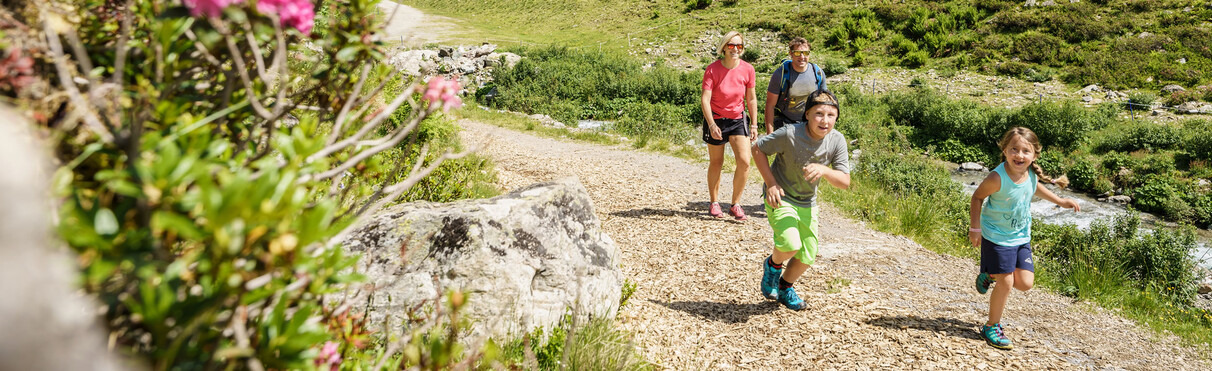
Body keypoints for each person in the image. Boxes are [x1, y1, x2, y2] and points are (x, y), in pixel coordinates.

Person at [969, 126, 1080, 349]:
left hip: (1021, 237)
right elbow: (977, 197)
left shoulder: (1028, 174)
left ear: (1034, 155)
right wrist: (975, 228)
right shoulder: (996, 178)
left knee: (1025, 284)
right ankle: (991, 326)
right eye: (1014, 149)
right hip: (997, 237)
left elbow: (1033, 188)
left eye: (1025, 151)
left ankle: (989, 273)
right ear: (1005, 150)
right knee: (1007, 283)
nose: (1019, 155)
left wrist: (1060, 202)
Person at [754, 90, 850, 310]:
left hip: (808, 202)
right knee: (789, 244)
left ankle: (785, 287)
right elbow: (757, 149)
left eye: (831, 115)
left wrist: (824, 170)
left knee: (807, 255)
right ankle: (772, 266)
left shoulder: (837, 140)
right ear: (807, 114)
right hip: (781, 196)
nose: (824, 120)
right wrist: (771, 184)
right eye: (818, 114)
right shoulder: (789, 134)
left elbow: (844, 181)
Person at [701, 31, 759, 220]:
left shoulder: (748, 69)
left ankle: (735, 204)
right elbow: (705, 99)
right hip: (715, 119)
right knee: (716, 162)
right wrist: (711, 124)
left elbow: (751, 98)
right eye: (731, 45)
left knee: (744, 161)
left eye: (739, 46)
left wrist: (754, 125)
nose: (735, 49)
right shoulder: (712, 69)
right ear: (724, 47)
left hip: (737, 119)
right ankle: (714, 202)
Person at [763, 37, 827, 134]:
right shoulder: (780, 74)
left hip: (809, 122)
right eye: (797, 53)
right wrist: (769, 134)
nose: (802, 57)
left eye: (805, 53)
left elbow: (824, 103)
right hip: (784, 121)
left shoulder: (818, 73)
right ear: (791, 54)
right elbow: (770, 105)